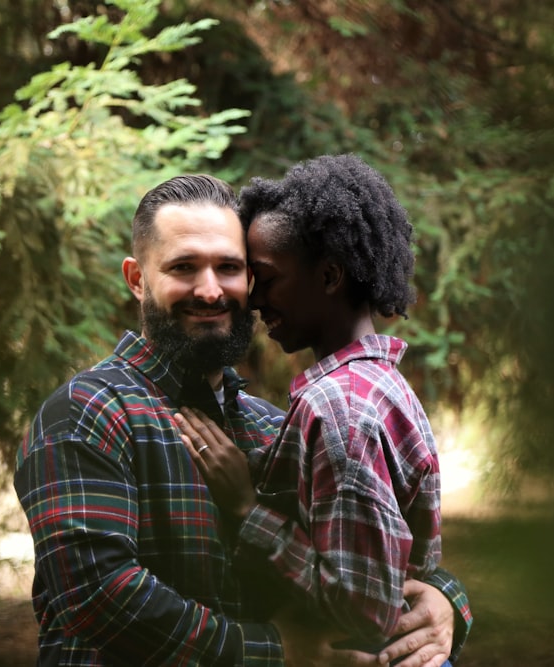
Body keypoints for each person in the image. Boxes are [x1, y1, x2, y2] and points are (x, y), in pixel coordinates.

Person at [14, 173, 468, 666]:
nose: (211, 291)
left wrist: (447, 602)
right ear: (138, 278)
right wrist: (276, 654)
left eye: (229, 267)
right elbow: (98, 595)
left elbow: (358, 552)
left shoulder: (275, 425)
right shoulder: (86, 412)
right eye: (184, 267)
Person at [176, 155, 471, 664]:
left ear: (330, 276)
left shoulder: (339, 409)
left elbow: (362, 608)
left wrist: (248, 509)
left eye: (265, 279)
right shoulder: (380, 385)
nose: (252, 299)